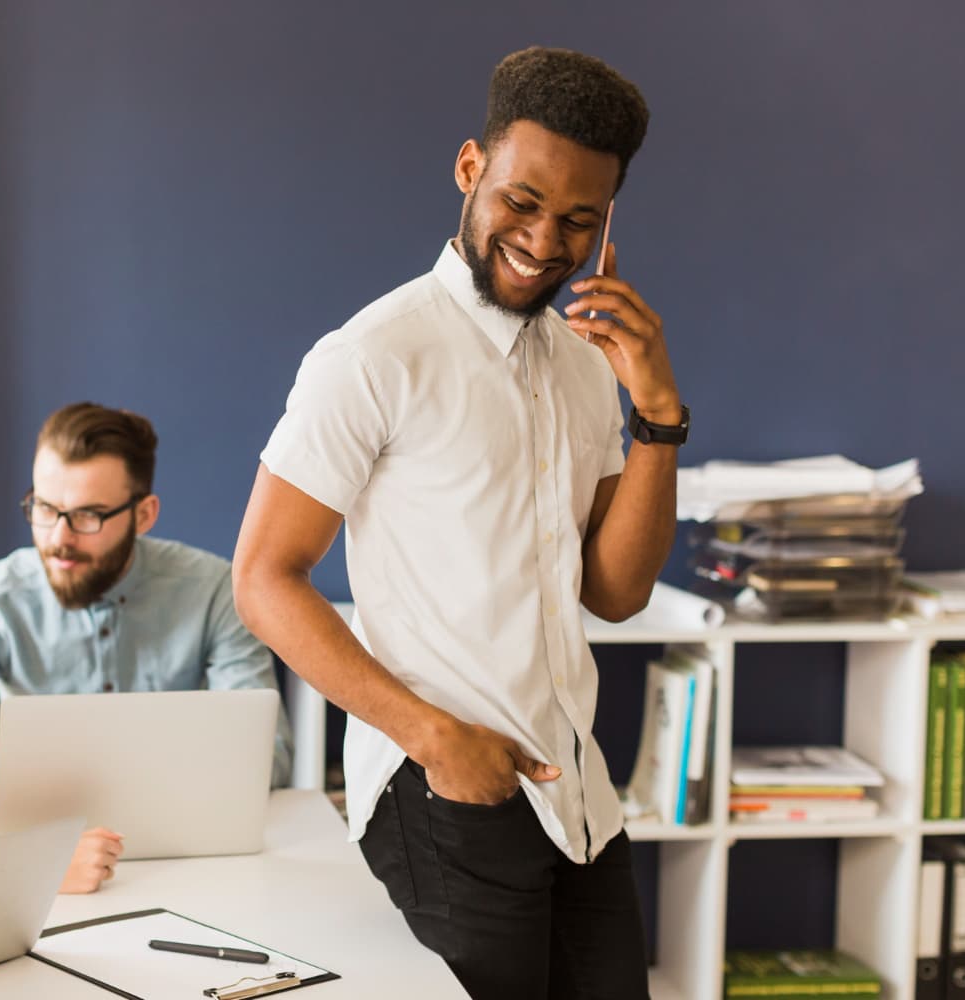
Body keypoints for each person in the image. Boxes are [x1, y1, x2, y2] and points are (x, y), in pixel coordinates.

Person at [233, 47, 685, 999]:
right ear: (471, 168)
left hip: (576, 797)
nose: (543, 240)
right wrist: (436, 739)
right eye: (522, 200)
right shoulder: (372, 356)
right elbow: (265, 578)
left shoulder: (582, 364)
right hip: (446, 788)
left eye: (579, 220)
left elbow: (615, 590)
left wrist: (658, 413)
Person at [0, 401, 292, 892]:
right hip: (47, 871)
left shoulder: (214, 589)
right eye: (44, 508)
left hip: (198, 866)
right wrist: (37, 785)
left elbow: (267, 756)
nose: (59, 538)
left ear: (144, 514)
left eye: (88, 515)